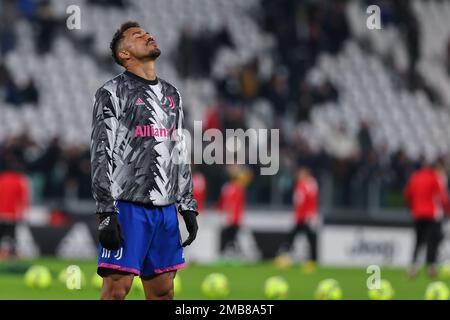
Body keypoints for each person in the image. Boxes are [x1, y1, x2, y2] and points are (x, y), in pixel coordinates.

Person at [91, 21, 198, 300]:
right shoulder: (112, 92)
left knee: (163, 291)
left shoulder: (172, 94)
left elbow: (179, 149)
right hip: (127, 206)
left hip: (165, 210)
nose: (148, 35)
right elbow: (101, 150)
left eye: (147, 33)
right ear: (124, 55)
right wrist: (105, 212)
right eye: (137, 36)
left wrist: (187, 204)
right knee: (117, 288)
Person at [404, 158, 450, 278]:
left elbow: (407, 194)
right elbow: (442, 197)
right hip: (432, 215)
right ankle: (431, 268)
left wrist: (413, 207)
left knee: (418, 241)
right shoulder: (436, 177)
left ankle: (412, 268)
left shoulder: (415, 177)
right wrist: (447, 211)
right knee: (433, 241)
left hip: (417, 214)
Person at [280, 167, 319, 273]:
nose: (298, 176)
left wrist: (311, 215)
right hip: (300, 217)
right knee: (291, 237)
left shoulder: (309, 185)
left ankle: (312, 262)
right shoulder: (300, 185)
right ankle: (286, 258)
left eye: (301, 174)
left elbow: (310, 202)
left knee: (310, 238)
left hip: (307, 217)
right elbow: (298, 203)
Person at [216, 166, 248, 257]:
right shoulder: (237, 189)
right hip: (233, 217)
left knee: (231, 236)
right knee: (232, 236)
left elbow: (226, 203)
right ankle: (233, 252)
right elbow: (235, 205)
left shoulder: (228, 188)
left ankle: (231, 252)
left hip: (231, 217)